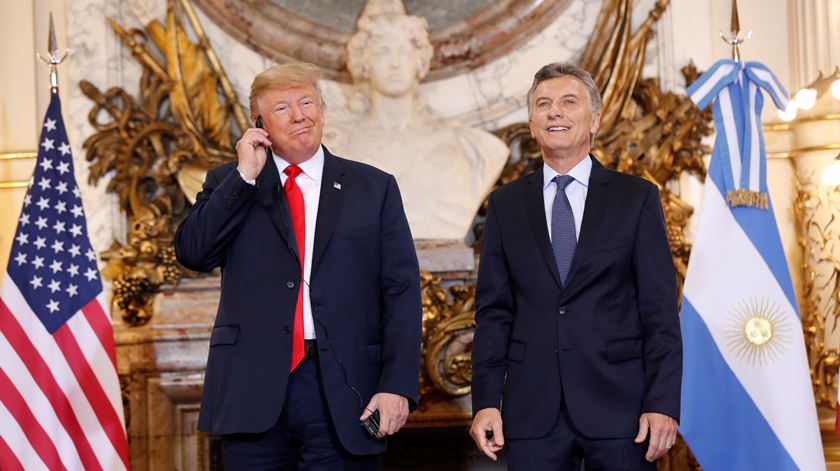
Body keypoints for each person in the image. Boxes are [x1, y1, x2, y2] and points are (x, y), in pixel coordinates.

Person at [175, 62, 422, 470]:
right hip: (253, 392)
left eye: (307, 102)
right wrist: (244, 177)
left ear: (323, 110)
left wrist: (397, 386)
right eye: (282, 108)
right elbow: (192, 252)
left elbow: (401, 291)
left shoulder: (373, 187)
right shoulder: (231, 183)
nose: (300, 115)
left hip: (344, 391)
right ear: (259, 123)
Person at [469, 62, 682, 470]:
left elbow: (659, 312)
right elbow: (493, 313)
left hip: (622, 409)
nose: (555, 112)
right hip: (531, 411)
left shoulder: (636, 198)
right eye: (543, 104)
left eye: (569, 102)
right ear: (532, 124)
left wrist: (662, 403)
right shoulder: (504, 205)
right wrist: (485, 403)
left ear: (595, 120)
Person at [322, 0, 508, 241]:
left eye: (403, 51)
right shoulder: (335, 143)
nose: (395, 63)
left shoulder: (474, 148)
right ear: (364, 63)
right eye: (382, 51)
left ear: (420, 59)